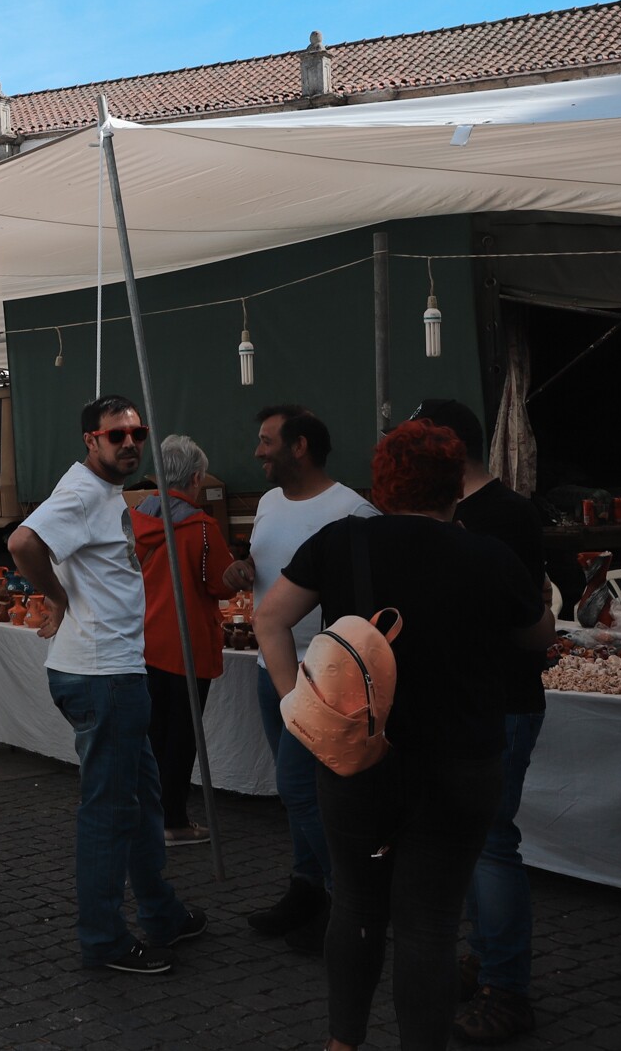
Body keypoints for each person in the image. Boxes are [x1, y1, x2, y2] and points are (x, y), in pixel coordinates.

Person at [255, 420, 551, 1051]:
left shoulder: (343, 542)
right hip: (463, 759)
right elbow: (537, 637)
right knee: (431, 923)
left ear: (382, 483)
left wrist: (293, 706)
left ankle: (344, 1043)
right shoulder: (487, 554)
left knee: (359, 905)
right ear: (455, 488)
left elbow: (270, 618)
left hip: (360, 756)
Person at [9, 394, 204, 975]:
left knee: (141, 801)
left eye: (137, 433)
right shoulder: (81, 492)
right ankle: (103, 938)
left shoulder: (103, 493)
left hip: (112, 671)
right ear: (90, 441)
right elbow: (23, 543)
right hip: (103, 676)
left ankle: (162, 912)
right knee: (110, 812)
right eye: (115, 435)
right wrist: (61, 596)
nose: (129, 443)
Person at [410, 400, 547, 1045]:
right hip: (462, 703)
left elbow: (527, 624)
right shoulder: (448, 512)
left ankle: (506, 987)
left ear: (447, 445)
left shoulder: (505, 517)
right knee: (468, 843)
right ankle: (487, 957)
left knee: (491, 844)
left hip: (500, 703)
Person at [221, 405, 378, 952]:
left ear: (300, 446)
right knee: (299, 795)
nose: (258, 452)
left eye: (266, 442)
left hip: (325, 679)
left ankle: (353, 900)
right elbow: (267, 572)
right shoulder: (266, 503)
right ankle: (308, 890)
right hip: (272, 670)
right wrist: (239, 571)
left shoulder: (354, 511)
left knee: (301, 790)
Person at [130, 434, 233, 846]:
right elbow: (220, 585)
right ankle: (172, 820)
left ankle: (151, 815)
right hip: (186, 645)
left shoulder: (135, 519)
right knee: (181, 738)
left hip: (144, 643)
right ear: (193, 478)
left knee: (154, 736)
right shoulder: (202, 528)